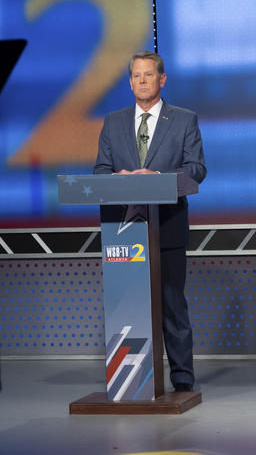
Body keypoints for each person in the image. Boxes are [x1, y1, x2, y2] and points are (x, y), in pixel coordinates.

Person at [94, 50, 206, 392]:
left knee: (172, 304)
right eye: (136, 76)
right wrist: (122, 177)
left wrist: (156, 176)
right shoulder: (113, 122)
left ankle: (182, 379)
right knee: (129, 303)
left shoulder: (184, 120)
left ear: (162, 79)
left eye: (148, 75)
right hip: (123, 229)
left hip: (167, 227)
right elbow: (100, 170)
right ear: (130, 82)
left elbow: (196, 170)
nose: (142, 81)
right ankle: (133, 377)